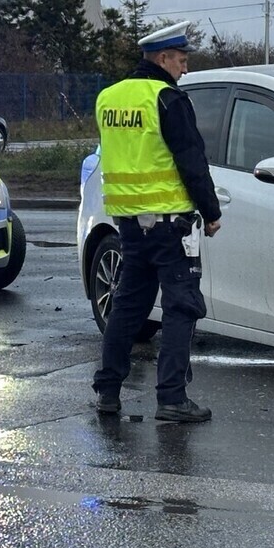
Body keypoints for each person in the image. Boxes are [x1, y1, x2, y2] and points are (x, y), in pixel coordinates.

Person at [91, 21, 222, 423]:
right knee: (182, 306)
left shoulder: (108, 98)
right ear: (163, 58)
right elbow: (191, 160)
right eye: (181, 61)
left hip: (128, 224)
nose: (184, 69)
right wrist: (212, 212)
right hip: (170, 225)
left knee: (128, 308)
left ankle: (108, 392)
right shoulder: (167, 98)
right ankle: (172, 398)